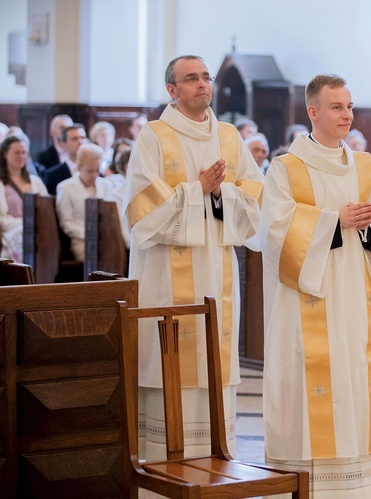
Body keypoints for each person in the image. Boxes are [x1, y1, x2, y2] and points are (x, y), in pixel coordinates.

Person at [261, 73, 371, 496]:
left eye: (350, 106)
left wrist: (370, 225)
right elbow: (275, 233)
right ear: (313, 111)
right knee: (315, 383)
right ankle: (312, 486)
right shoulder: (286, 168)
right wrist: (334, 221)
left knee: (356, 376)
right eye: (337, 107)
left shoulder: (364, 164)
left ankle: (361, 485)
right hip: (310, 301)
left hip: (356, 296)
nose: (348, 114)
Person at [123, 54, 263, 460]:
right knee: (171, 363)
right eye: (191, 79)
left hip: (216, 269)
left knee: (212, 364)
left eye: (206, 77)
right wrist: (196, 189)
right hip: (166, 275)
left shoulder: (230, 136)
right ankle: (164, 463)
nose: (202, 84)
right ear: (172, 90)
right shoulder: (154, 136)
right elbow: (140, 212)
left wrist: (222, 193)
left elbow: (256, 197)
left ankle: (216, 459)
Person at [55, 143, 109, 261]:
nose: (94, 175)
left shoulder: (106, 185)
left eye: (97, 170)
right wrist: (88, 235)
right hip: (81, 241)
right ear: (79, 167)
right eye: (90, 171)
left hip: (106, 238)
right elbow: (66, 222)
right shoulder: (66, 187)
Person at [0, 136, 48, 261]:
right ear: (5, 154)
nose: (21, 156)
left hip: (37, 232)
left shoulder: (35, 181)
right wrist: (23, 225)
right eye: (17, 153)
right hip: (10, 232)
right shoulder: (1, 183)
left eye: (23, 152)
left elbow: (46, 210)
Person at [42, 124, 87, 195]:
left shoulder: (95, 172)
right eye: (74, 139)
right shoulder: (52, 175)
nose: (80, 142)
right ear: (63, 144)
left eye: (83, 138)